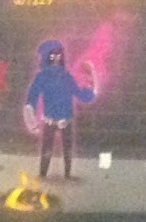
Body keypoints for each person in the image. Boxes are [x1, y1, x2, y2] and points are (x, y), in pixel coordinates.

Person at [22, 39, 97, 179]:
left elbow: (82, 95)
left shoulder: (65, 76)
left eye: (59, 55)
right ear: (46, 56)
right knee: (48, 148)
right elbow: (32, 98)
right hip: (51, 120)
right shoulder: (43, 77)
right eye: (52, 55)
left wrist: (91, 78)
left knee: (65, 148)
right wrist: (31, 118)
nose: (56, 58)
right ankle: (43, 174)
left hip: (65, 120)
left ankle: (65, 174)